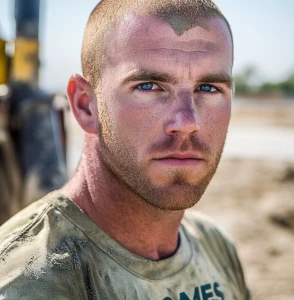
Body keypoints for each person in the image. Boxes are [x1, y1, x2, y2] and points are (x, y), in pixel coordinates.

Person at [0, 0, 250, 299]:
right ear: (85, 105)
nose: (187, 122)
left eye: (209, 88)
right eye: (149, 86)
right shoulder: (30, 280)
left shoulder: (214, 244)